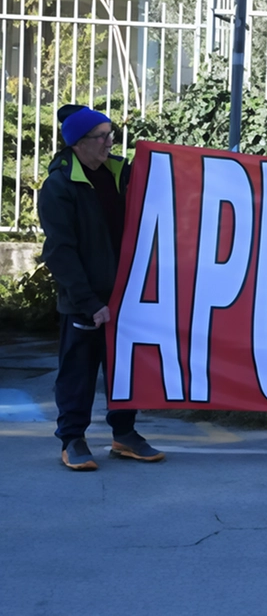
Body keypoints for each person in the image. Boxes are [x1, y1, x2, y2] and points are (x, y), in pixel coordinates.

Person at [39, 107, 165, 471]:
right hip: (85, 300)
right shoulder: (59, 187)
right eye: (102, 136)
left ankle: (124, 434)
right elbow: (60, 252)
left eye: (111, 133)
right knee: (78, 371)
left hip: (126, 296)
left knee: (125, 369)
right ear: (78, 144)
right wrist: (88, 301)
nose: (111, 141)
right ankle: (72, 440)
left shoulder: (121, 173)